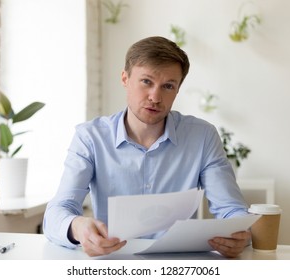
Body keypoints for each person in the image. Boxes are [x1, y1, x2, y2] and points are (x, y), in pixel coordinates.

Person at [43, 36, 251, 258]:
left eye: (168, 86)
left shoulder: (202, 136)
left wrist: (239, 233)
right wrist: (77, 227)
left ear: (178, 90)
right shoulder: (90, 137)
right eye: (146, 82)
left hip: (178, 267)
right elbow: (57, 211)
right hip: (114, 263)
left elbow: (231, 209)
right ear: (125, 78)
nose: (155, 97)